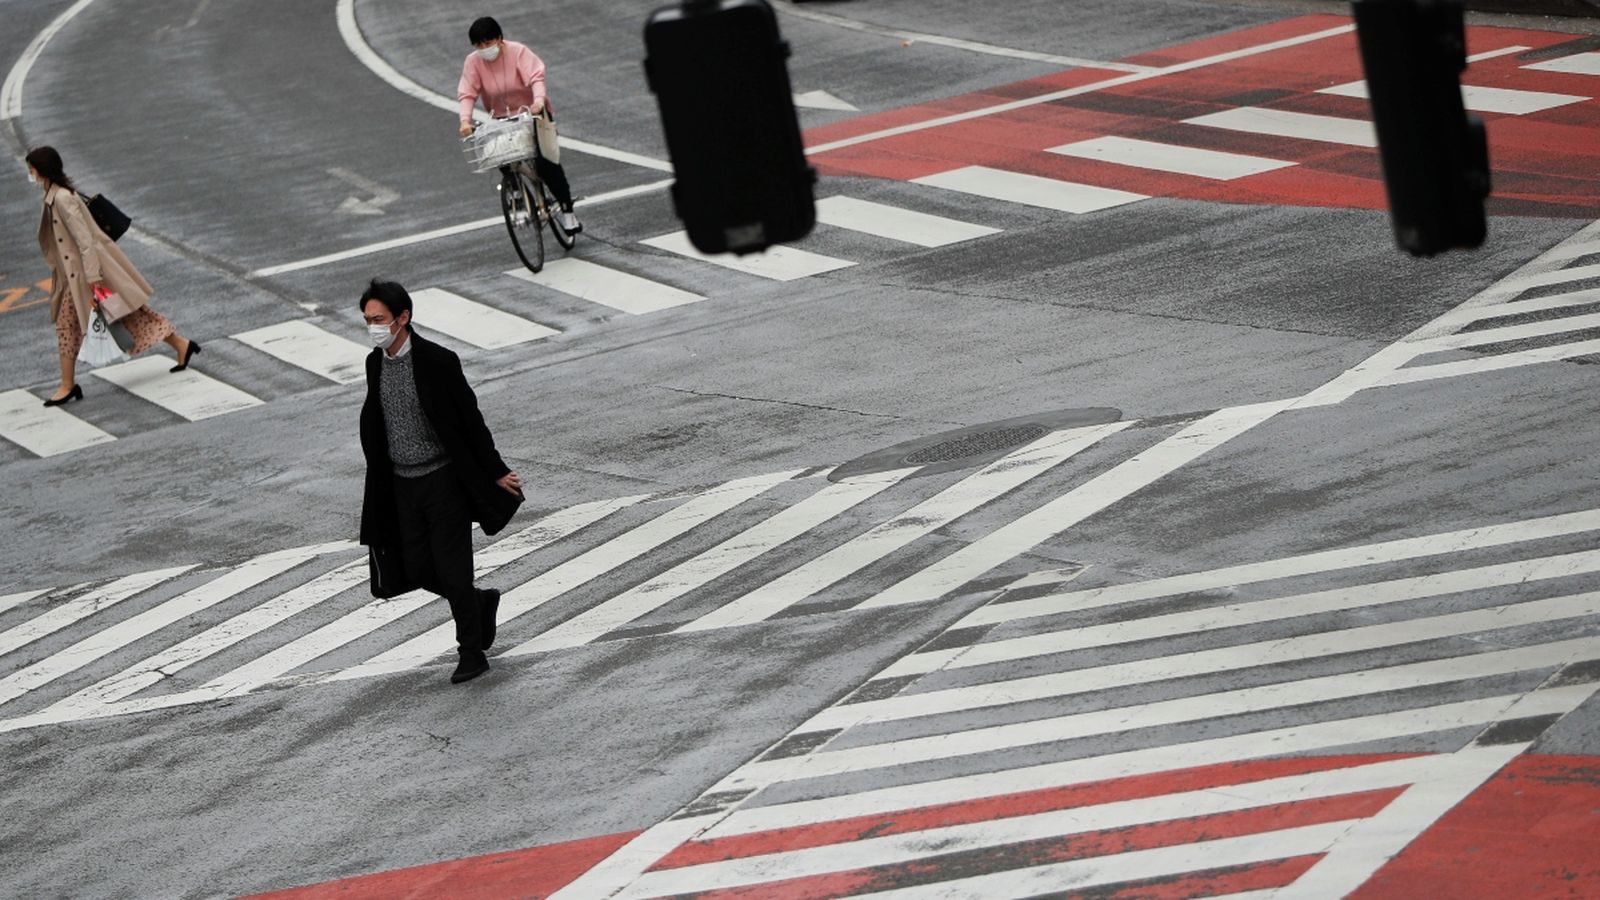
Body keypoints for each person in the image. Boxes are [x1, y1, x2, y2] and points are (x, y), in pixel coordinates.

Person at [357, 280, 524, 684]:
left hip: (443, 480)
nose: (373, 327)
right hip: (402, 485)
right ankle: (479, 602)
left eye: (379, 319)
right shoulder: (374, 363)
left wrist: (496, 469)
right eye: (367, 320)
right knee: (416, 567)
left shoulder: (437, 361)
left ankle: (471, 652)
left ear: (403, 318)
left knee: (453, 569)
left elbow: (470, 419)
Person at [27, 146, 200, 407]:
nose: (30, 174)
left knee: (72, 326)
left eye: (31, 169)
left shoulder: (62, 199)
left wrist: (93, 280)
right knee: (127, 316)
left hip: (85, 278)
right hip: (76, 278)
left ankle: (67, 385)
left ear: (42, 170)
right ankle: (182, 345)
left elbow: (85, 241)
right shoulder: (54, 195)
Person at [456, 15, 582, 234]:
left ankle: (567, 210)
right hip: (502, 118)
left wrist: (538, 102)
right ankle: (515, 191)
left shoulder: (518, 52)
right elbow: (467, 93)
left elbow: (536, 78)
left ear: (499, 39)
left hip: (533, 113)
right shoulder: (473, 62)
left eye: (488, 43)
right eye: (478, 45)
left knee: (546, 163)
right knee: (500, 154)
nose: (484, 49)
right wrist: (464, 121)